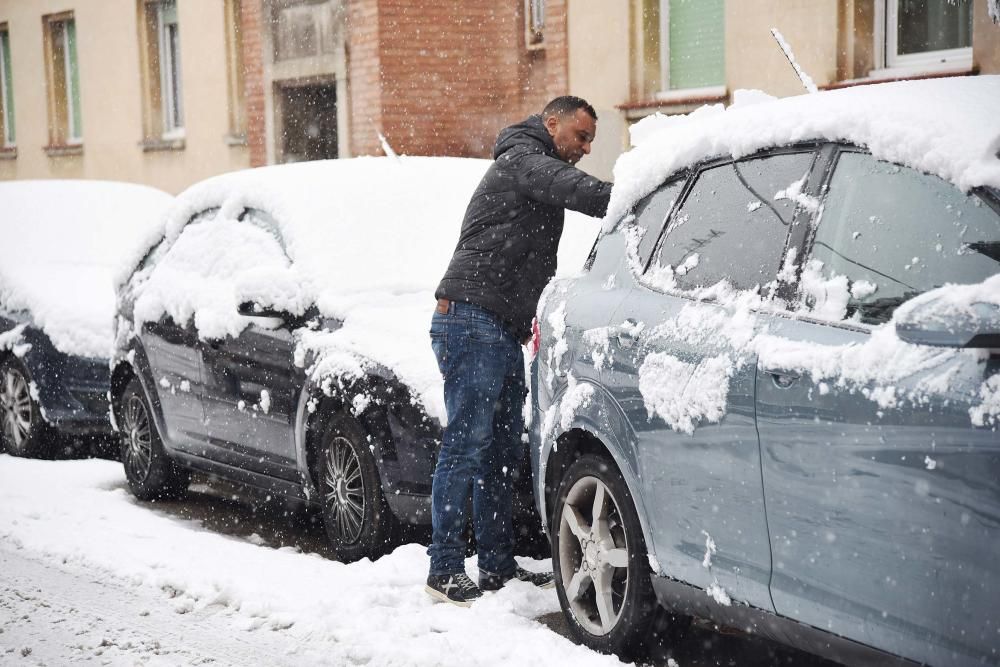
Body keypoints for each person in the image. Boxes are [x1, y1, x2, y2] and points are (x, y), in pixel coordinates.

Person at [425, 96, 613, 606]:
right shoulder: (523, 161)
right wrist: (634, 193)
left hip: (500, 328)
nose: (585, 149)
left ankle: (496, 565)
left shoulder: (532, 164)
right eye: (580, 136)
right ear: (551, 123)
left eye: (591, 140)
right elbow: (579, 191)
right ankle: (443, 569)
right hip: (469, 319)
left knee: (502, 453)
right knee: (466, 446)